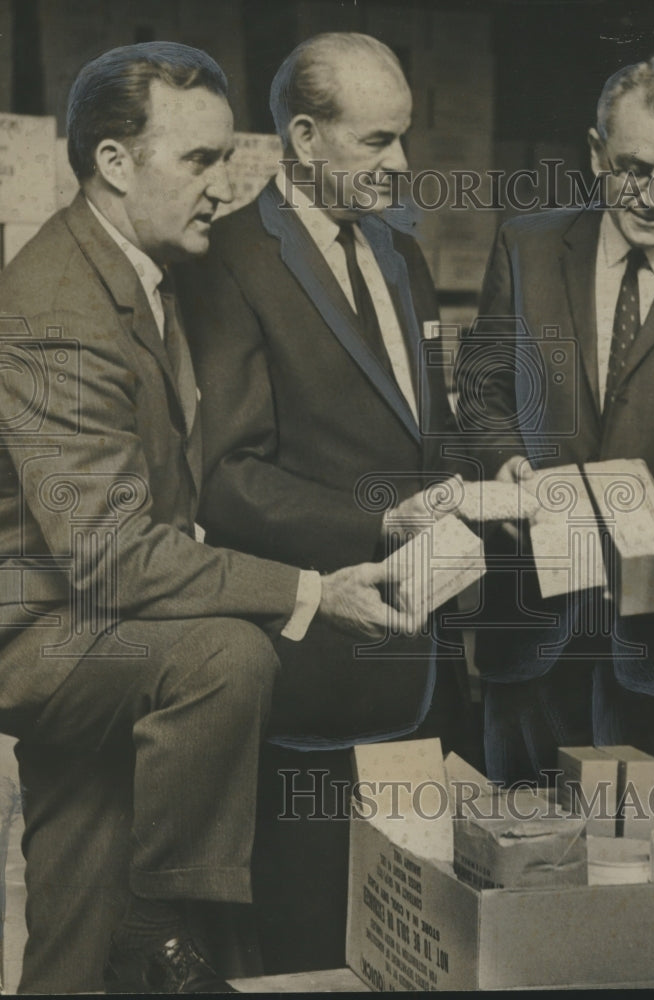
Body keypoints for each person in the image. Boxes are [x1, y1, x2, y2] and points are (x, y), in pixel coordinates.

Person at [0, 42, 417, 994]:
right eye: (197, 161)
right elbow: (110, 556)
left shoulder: (134, 273)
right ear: (114, 163)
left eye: (229, 159)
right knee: (225, 657)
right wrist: (313, 589)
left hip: (96, 630)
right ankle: (165, 929)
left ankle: (126, 943)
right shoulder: (59, 307)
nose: (223, 188)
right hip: (45, 630)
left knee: (73, 902)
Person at [174, 33, 476, 972]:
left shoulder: (402, 253)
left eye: (403, 139)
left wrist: (486, 474)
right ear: (304, 137)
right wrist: (381, 522)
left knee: (413, 944)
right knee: (309, 949)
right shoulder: (226, 261)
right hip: (314, 677)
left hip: (423, 669)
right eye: (377, 142)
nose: (402, 164)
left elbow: (422, 432)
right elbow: (229, 477)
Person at [457, 52, 654, 802]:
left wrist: (643, 531)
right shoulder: (526, 247)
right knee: (520, 870)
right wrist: (504, 464)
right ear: (595, 152)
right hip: (531, 628)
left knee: (639, 885)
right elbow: (481, 393)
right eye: (633, 168)